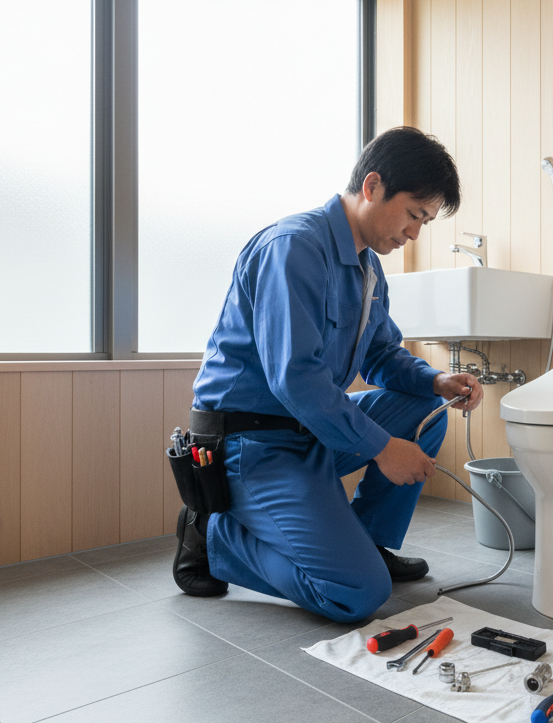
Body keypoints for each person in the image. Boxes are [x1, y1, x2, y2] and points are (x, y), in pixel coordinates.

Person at [173, 127, 483, 623]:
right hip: (251, 443)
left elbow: (381, 354)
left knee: (427, 411)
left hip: (308, 431)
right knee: (354, 594)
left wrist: (434, 382)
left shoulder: (367, 269)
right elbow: (296, 379)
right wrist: (382, 447)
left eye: (424, 221)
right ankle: (215, 536)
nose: (414, 234)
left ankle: (369, 543)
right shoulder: (294, 247)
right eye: (414, 215)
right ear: (374, 186)